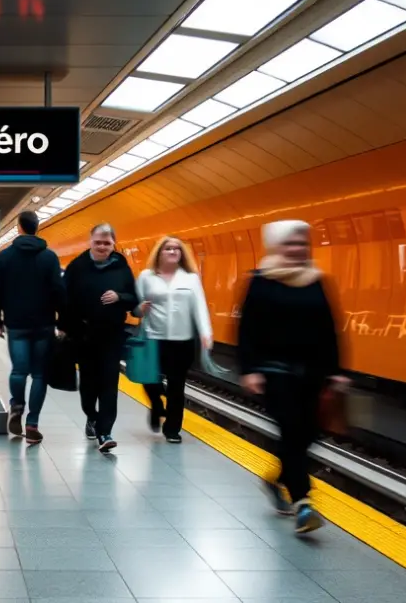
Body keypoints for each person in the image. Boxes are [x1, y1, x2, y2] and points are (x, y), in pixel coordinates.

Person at [238, 219, 348, 534]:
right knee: (291, 431)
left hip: (313, 374)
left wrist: (338, 372)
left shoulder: (316, 280)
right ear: (277, 246)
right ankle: (304, 504)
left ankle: (276, 478)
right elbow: (248, 328)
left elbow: (330, 329)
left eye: (302, 244)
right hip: (275, 373)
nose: (297, 249)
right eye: (290, 244)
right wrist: (250, 369)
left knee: (307, 435)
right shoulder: (261, 281)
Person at [58, 223, 137, 452]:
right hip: (84, 336)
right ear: (90, 242)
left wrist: (119, 296)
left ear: (114, 244)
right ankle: (91, 416)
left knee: (110, 383)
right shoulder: (77, 267)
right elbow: (64, 300)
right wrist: (64, 327)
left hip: (112, 335)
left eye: (107, 243)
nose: (103, 247)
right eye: (98, 242)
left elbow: (133, 298)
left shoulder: (121, 266)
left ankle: (105, 432)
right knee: (89, 386)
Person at [0, 210, 64, 444]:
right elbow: (60, 291)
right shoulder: (50, 257)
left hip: (16, 323)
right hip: (43, 324)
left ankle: (17, 406)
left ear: (19, 228)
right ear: (37, 228)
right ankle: (32, 423)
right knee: (40, 374)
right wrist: (62, 322)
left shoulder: (5, 257)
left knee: (19, 370)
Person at [135, 236, 212, 443]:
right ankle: (157, 405)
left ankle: (172, 429)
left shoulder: (190, 278)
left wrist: (206, 332)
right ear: (159, 252)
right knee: (149, 380)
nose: (172, 252)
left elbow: (200, 307)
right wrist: (139, 309)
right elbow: (136, 307)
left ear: (181, 254)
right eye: (167, 248)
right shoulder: (146, 276)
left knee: (177, 385)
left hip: (182, 340)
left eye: (176, 249)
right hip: (153, 337)